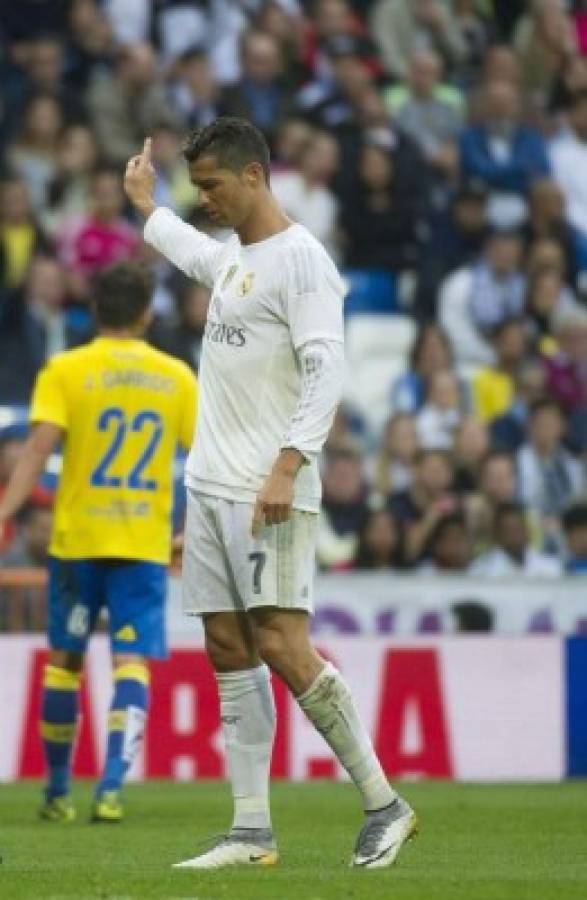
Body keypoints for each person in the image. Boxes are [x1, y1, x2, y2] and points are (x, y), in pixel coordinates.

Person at [123, 117, 417, 870]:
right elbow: (193, 253)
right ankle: (250, 830)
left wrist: (289, 464)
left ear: (253, 176)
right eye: (198, 189)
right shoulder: (236, 259)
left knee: (284, 645)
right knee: (227, 647)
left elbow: (326, 369)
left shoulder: (304, 264)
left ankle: (385, 804)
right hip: (212, 486)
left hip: (268, 488)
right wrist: (146, 205)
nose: (206, 202)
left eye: (213, 187)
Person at [0, 261, 198, 823]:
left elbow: (38, 450)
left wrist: (4, 512)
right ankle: (111, 787)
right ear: (146, 313)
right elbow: (206, 461)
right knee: (131, 661)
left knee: (66, 661)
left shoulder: (66, 369)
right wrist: (192, 530)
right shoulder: (176, 376)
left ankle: (58, 792)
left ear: (93, 311)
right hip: (141, 542)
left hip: (78, 539)